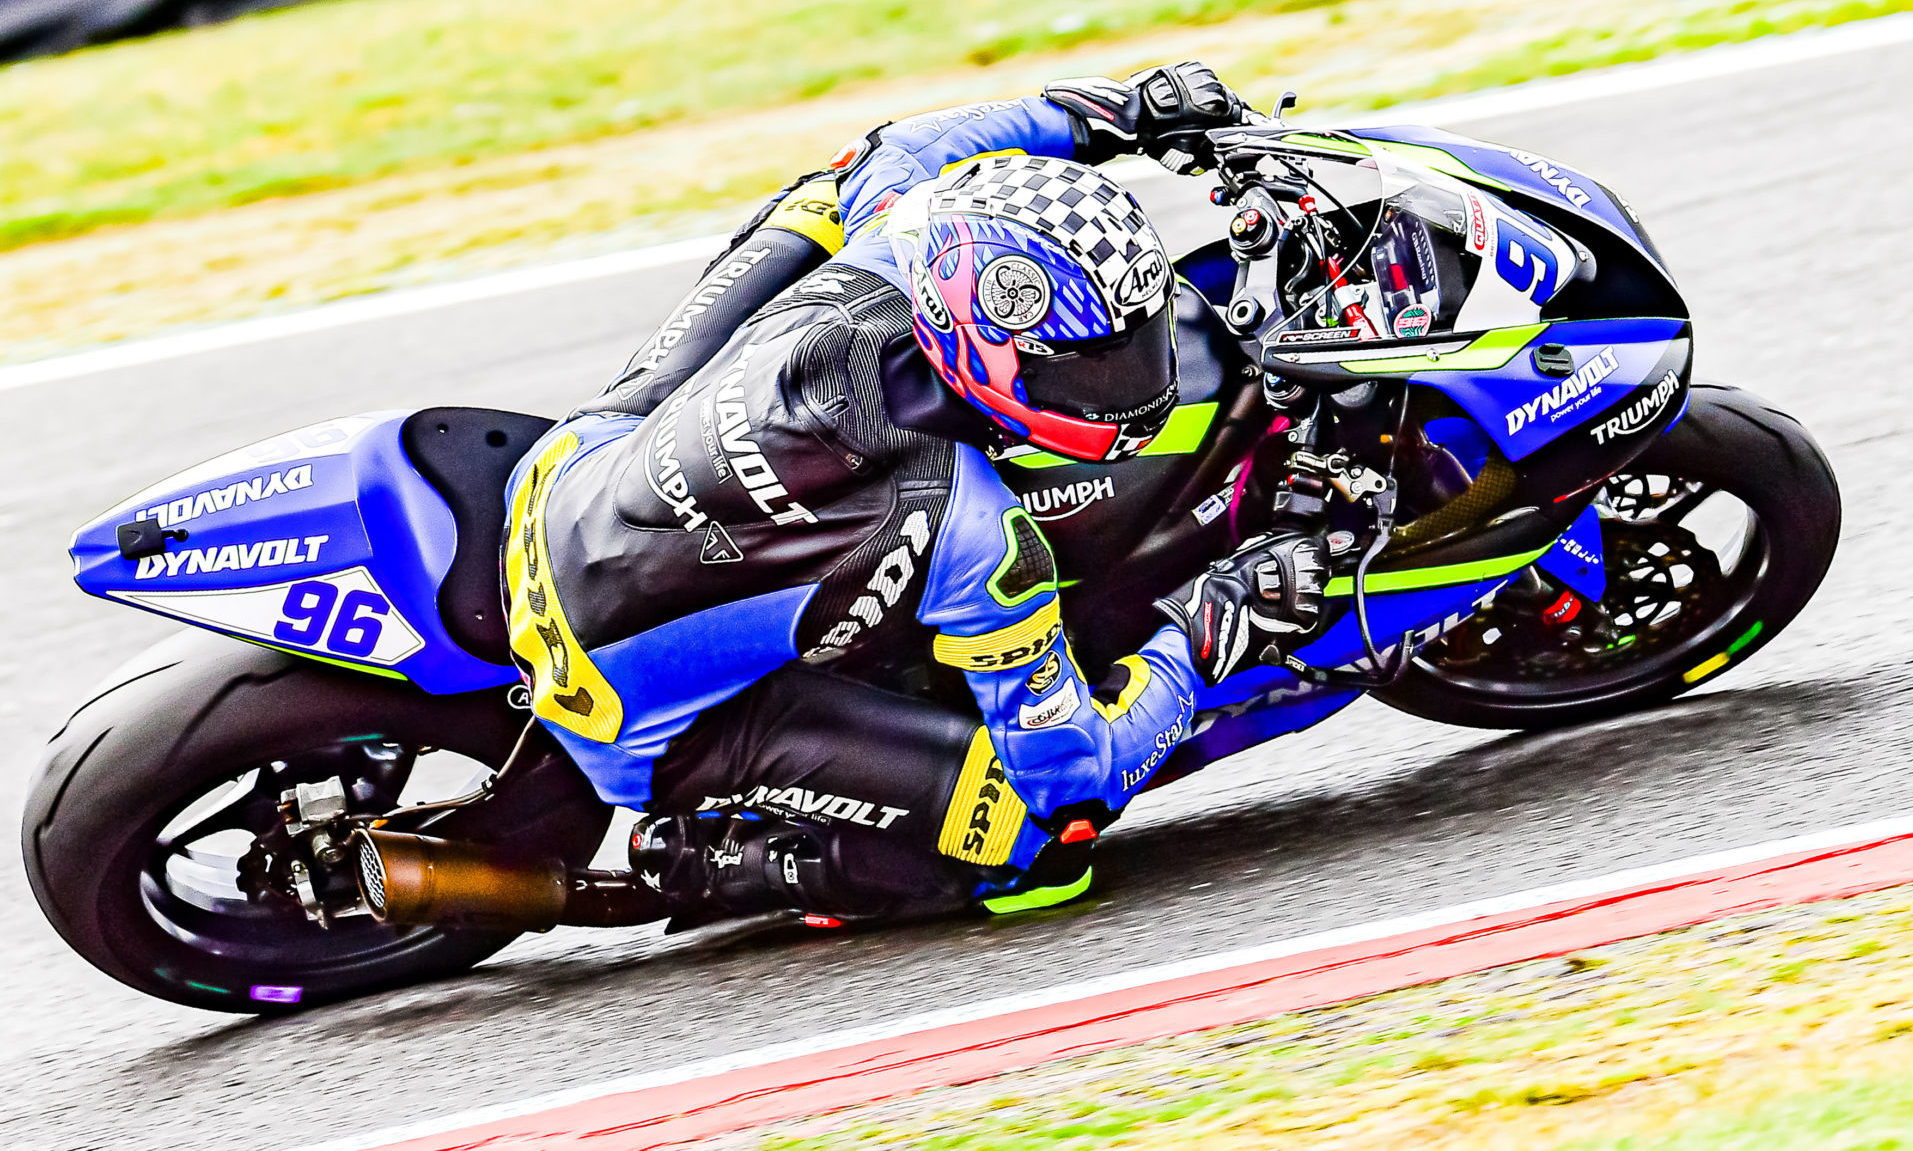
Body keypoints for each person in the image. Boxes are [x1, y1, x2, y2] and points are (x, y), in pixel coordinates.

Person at [503, 62, 1328, 925]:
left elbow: (907, 144)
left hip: (563, 474)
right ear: (991, 352)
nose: (1133, 385)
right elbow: (1073, 772)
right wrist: (1209, 632)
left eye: (1137, 341)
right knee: (1046, 842)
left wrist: (1117, 109)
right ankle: (747, 861)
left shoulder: (901, 236)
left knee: (821, 200)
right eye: (1093, 366)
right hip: (633, 714)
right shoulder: (969, 528)